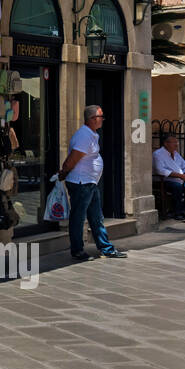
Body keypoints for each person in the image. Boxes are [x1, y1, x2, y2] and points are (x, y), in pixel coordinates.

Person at [55, 105, 126, 260]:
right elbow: (71, 161)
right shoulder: (84, 136)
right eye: (101, 117)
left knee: (96, 217)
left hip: (90, 183)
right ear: (93, 119)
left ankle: (106, 248)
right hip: (81, 183)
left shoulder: (92, 134)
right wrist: (64, 173)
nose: (103, 120)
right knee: (78, 218)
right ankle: (77, 250)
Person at [152, 132, 185, 220]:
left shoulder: (175, 153)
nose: (177, 144)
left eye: (177, 142)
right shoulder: (158, 154)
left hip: (180, 180)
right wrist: (180, 176)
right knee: (177, 187)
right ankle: (177, 212)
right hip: (164, 181)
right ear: (166, 143)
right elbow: (160, 170)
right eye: (174, 142)